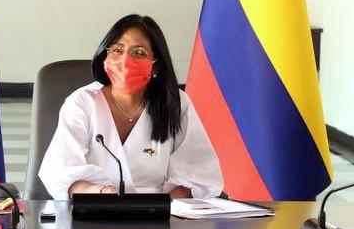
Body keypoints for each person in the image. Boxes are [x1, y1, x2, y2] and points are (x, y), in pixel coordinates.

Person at [38, 14, 223, 199]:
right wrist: (102, 193)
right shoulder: (82, 103)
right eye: (117, 50)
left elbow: (199, 176)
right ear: (105, 56)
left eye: (139, 53)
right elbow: (61, 174)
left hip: (159, 217)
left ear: (156, 67)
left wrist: (159, 209)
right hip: (96, 212)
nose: (126, 61)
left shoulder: (176, 103)